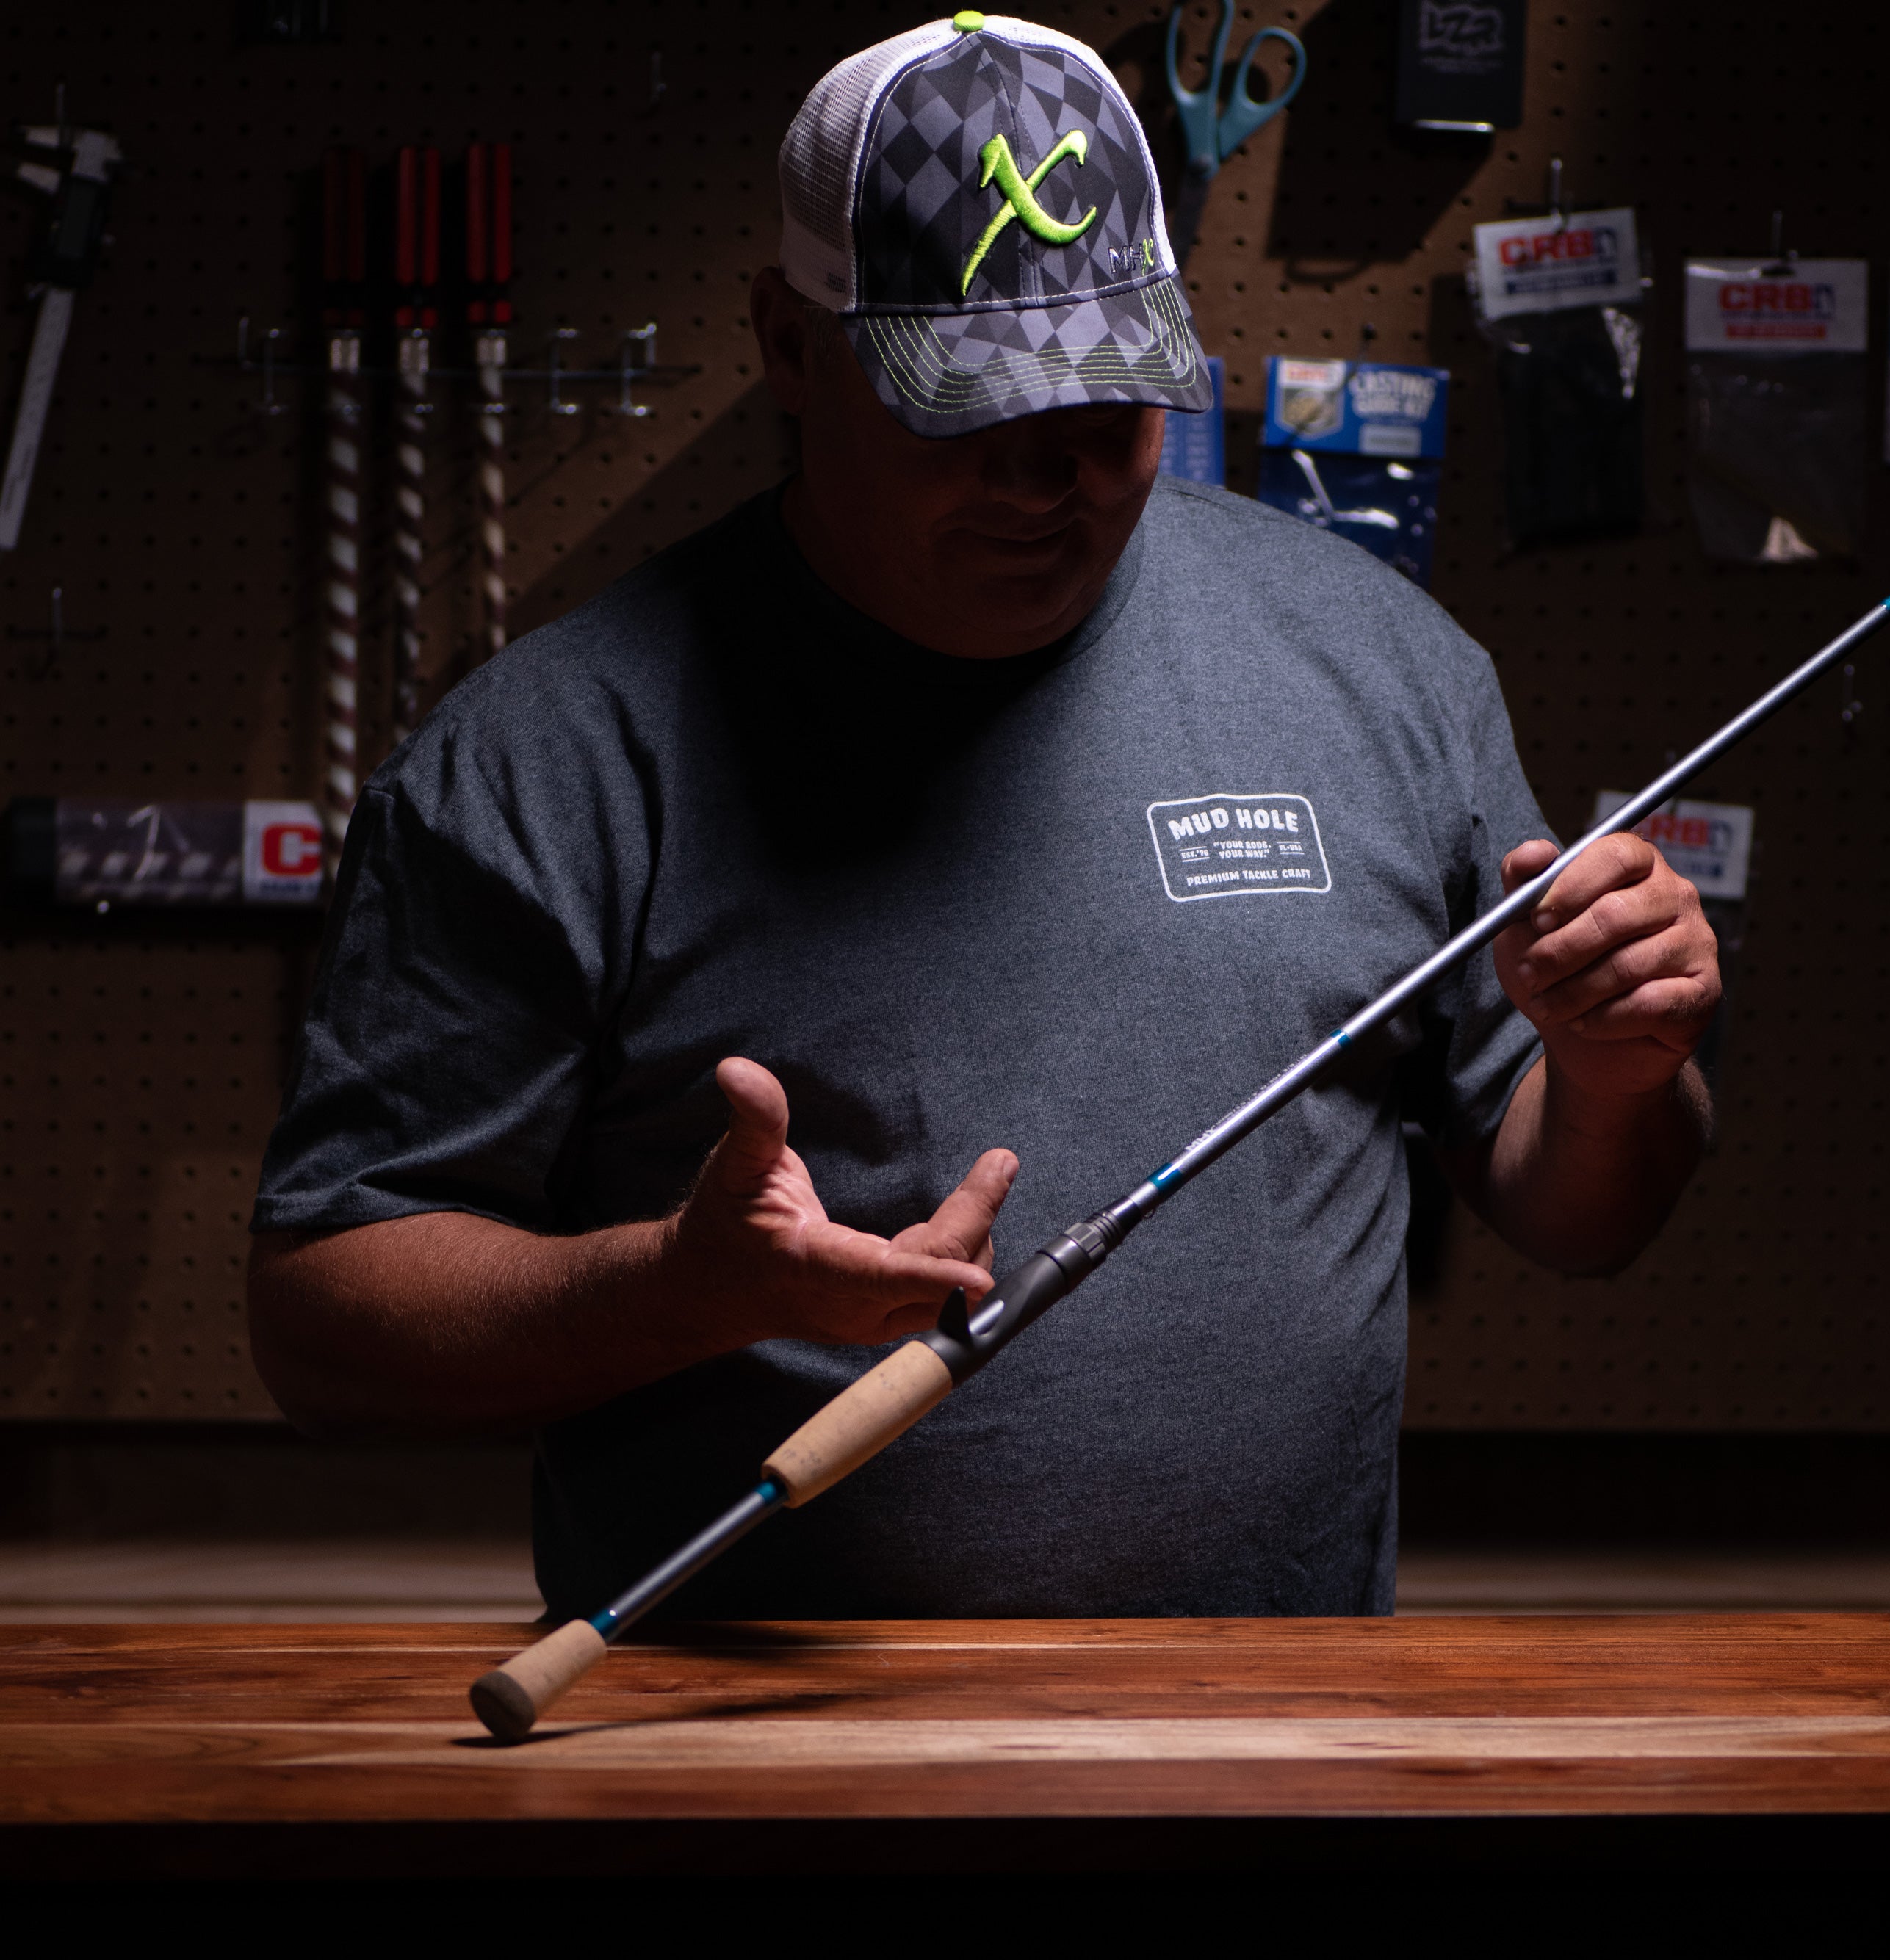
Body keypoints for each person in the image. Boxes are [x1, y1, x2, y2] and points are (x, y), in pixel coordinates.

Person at [248, 15, 1717, 1619]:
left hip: (1287, 1724)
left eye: (1106, 404)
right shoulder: (550, 757)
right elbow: (324, 1325)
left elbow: (1577, 1212)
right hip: (740, 1743)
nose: (1045, 478)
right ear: (788, 346)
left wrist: (1619, 1072)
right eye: (965, 409)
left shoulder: (1380, 665)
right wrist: (676, 1290)